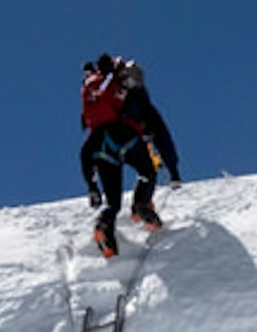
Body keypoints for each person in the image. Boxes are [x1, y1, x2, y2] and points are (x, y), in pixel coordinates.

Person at [77, 54, 183, 260]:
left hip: (101, 147)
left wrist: (91, 186)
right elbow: (162, 135)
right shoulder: (137, 98)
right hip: (127, 139)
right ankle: (141, 206)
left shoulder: (97, 98)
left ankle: (104, 227)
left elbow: (85, 150)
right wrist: (173, 170)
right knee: (147, 172)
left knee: (112, 201)